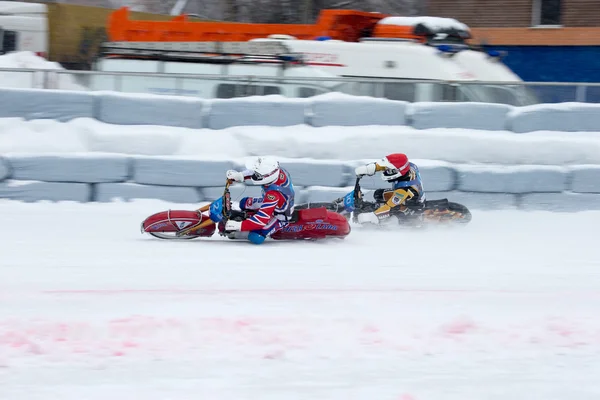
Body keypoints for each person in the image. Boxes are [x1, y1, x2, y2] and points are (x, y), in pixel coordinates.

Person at [223, 156, 295, 244]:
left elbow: (261, 219)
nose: (255, 175)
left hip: (280, 213)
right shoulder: (276, 171)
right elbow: (255, 172)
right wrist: (240, 176)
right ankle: (247, 219)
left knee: (256, 237)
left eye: (258, 175)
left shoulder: (273, 194)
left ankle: (237, 233)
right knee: (243, 202)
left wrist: (240, 226)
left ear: (267, 177)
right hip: (274, 201)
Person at [354, 153, 425, 225]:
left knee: (392, 218)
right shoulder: (408, 166)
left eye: (389, 171)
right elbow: (386, 166)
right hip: (408, 198)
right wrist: (368, 168)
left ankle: (387, 222)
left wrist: (368, 217)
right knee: (379, 194)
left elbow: (389, 207)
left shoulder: (404, 189)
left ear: (398, 171)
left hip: (411, 211)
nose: (386, 171)